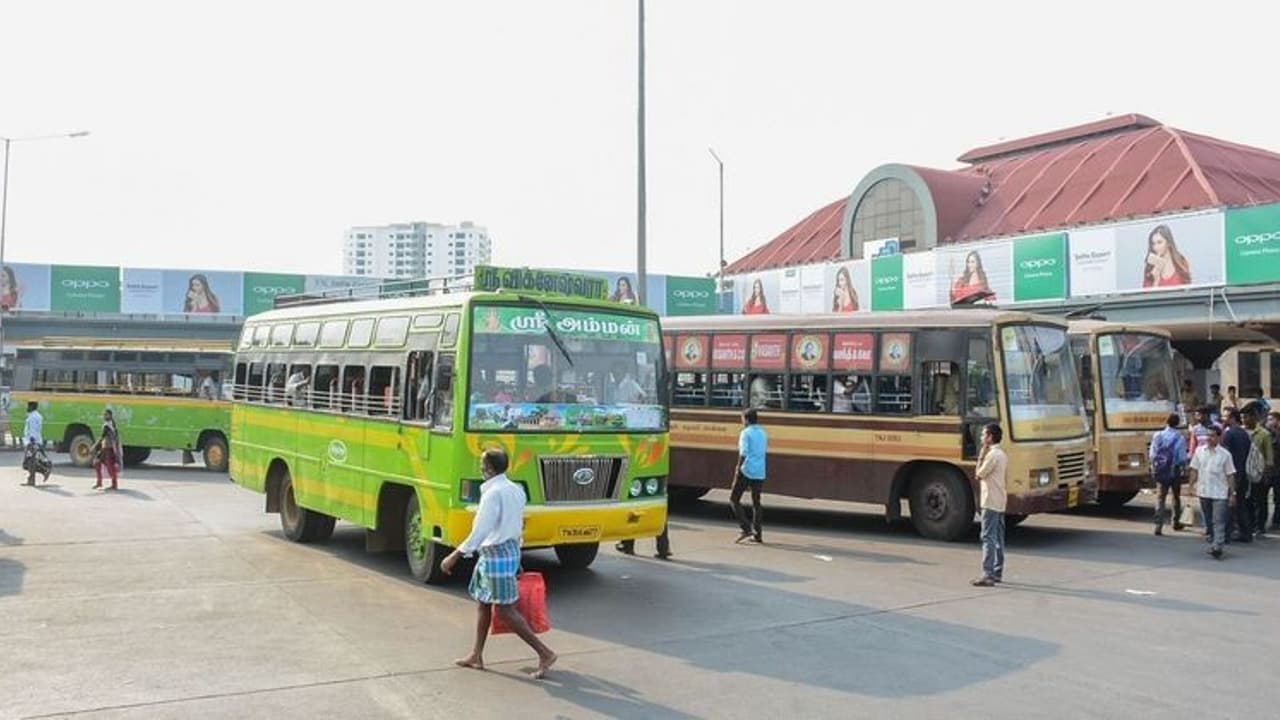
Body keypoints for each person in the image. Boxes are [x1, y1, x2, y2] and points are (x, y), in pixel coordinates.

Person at [441, 448, 557, 680]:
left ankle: (545, 653)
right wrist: (517, 556)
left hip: (496, 555)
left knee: (504, 609)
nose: (480, 468)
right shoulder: (516, 490)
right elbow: (517, 525)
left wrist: (455, 555)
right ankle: (476, 654)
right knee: (483, 603)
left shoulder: (493, 494)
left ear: (489, 469)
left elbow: (481, 530)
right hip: (504, 552)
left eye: (482, 464)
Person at [1189, 426, 1236, 559]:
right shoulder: (1199, 451)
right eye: (1208, 435)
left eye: (1213, 435)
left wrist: (1233, 494)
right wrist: (1191, 485)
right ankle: (1214, 538)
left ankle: (1217, 546)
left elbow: (1230, 475)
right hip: (1204, 492)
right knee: (1209, 521)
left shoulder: (1225, 455)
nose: (1209, 438)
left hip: (1220, 493)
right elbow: (1194, 469)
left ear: (1219, 437)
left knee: (1218, 521)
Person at [971, 423, 1009, 587]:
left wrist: (981, 454)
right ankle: (997, 571)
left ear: (990, 437)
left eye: (983, 435)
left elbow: (979, 474)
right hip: (1000, 499)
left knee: (988, 537)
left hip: (990, 501)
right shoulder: (1002, 454)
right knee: (998, 537)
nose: (981, 438)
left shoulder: (992, 455)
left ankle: (988, 574)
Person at [730, 408, 767, 544]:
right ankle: (758, 534)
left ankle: (745, 528)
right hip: (760, 471)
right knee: (756, 502)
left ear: (746, 419)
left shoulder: (745, 433)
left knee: (734, 499)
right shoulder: (763, 433)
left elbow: (743, 453)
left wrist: (738, 468)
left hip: (746, 470)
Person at [1150, 413, 1188, 535]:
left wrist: (1155, 466)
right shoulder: (1180, 438)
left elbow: (1152, 455)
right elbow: (1182, 458)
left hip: (1161, 470)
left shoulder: (1158, 435)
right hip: (1174, 470)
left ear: (1166, 422)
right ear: (1177, 424)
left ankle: (1158, 525)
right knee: (1176, 496)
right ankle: (1175, 521)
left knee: (1160, 498)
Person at [1219, 410, 1253, 543]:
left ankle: (1227, 533)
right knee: (1240, 504)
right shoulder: (1243, 433)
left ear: (1232, 418)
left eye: (1225, 416)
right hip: (1243, 472)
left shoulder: (1230, 434)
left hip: (1233, 473)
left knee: (1230, 504)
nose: (1223, 418)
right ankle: (1245, 532)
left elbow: (1224, 455)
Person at [1244, 406, 1273, 538]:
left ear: (1254, 418)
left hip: (1259, 473)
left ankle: (1260, 527)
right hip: (1246, 473)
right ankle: (1249, 525)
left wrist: (1266, 475)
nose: (1244, 420)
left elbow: (1269, 457)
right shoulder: (1243, 432)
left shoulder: (1263, 434)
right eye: (1243, 417)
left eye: (1247, 417)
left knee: (1260, 501)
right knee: (1247, 500)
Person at [92, 409, 123, 491]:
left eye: (106, 415)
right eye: (104, 415)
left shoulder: (107, 425)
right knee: (97, 463)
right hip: (105, 448)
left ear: (110, 416)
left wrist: (93, 446)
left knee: (109, 466)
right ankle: (99, 482)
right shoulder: (110, 424)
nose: (104, 416)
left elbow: (102, 437)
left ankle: (114, 484)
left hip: (108, 449)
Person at [21, 400, 49, 486]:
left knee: (27, 463)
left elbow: (33, 431)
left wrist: (32, 443)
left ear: (32, 407)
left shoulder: (33, 417)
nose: (27, 408)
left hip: (31, 443)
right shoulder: (37, 416)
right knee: (30, 462)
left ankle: (43, 471)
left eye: (29, 406)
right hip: (35, 442)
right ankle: (32, 479)